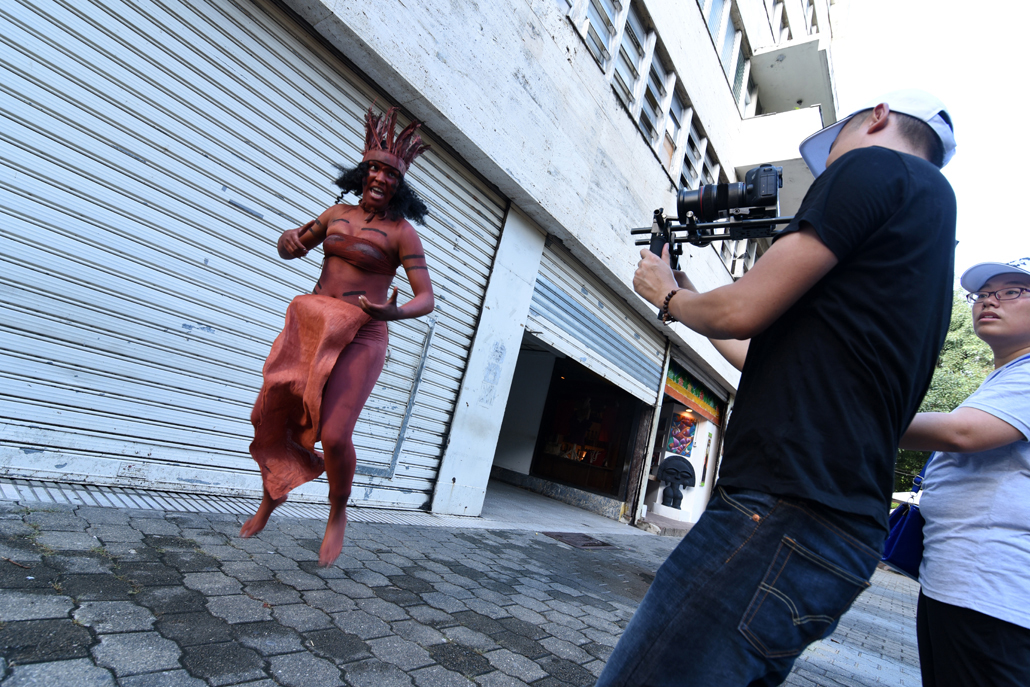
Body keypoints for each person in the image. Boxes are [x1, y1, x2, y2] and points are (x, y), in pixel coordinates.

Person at [595, 89, 958, 686]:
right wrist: (684, 302)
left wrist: (665, 292)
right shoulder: (920, 242)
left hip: (782, 511)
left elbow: (740, 311)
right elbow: (757, 350)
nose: (830, 166)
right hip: (830, 532)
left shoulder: (878, 165)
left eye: (834, 146)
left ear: (879, 117)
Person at [239, 106, 435, 567]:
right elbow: (294, 246)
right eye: (374, 168)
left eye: (390, 173)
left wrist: (394, 311)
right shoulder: (335, 213)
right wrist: (287, 241)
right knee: (281, 414)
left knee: (333, 432)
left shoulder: (402, 234)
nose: (381, 178)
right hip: (313, 328)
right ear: (362, 172)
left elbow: (425, 297)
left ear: (398, 184)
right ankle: (272, 498)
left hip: (362, 336)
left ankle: (337, 510)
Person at [898, 259, 1030, 687]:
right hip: (960, 585)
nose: (989, 299)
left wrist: (850, 415)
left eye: (1011, 290)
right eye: (983, 293)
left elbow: (962, 433)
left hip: (994, 596)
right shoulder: (1003, 378)